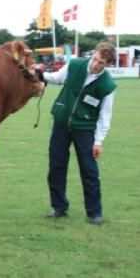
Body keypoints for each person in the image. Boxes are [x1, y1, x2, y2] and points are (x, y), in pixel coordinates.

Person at [39, 42, 117, 225]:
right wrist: (40, 75)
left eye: (102, 63)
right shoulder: (75, 65)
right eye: (95, 59)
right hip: (61, 124)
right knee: (56, 165)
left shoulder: (107, 85)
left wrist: (98, 141)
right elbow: (58, 78)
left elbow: (105, 115)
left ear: (108, 64)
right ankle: (59, 207)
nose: (96, 64)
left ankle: (94, 213)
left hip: (85, 129)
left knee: (89, 170)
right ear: (93, 55)